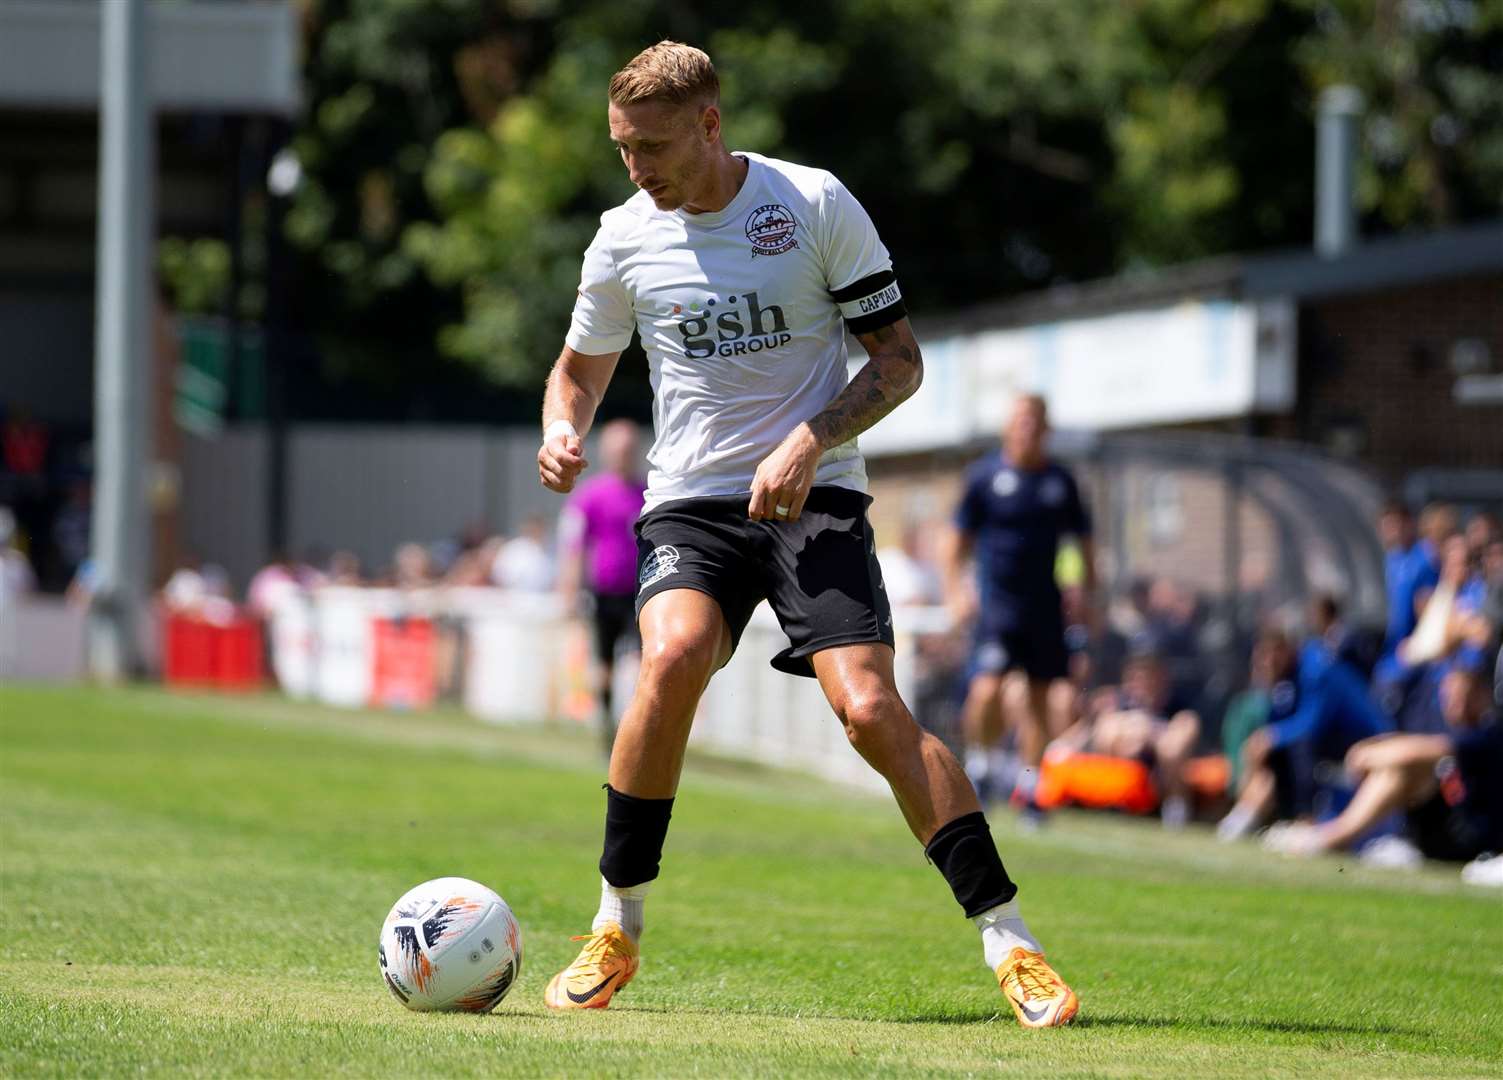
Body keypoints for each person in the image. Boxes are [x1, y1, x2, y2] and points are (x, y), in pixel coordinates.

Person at [533, 41, 1077, 1028]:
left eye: (651, 146)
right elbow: (577, 370)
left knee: (869, 710)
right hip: (693, 499)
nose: (635, 169)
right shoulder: (621, 238)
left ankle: (1012, 940)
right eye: (621, 149)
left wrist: (809, 439)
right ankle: (615, 925)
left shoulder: (813, 205)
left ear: (710, 124)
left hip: (814, 490)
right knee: (673, 655)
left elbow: (900, 362)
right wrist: (561, 425)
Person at [941, 394, 1097, 820]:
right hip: (998, 607)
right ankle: (982, 765)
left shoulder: (1060, 482)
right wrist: (957, 591)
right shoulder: (985, 476)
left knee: (1041, 697)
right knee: (988, 688)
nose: (1027, 428)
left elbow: (1083, 543)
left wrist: (1088, 594)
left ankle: (1030, 787)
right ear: (1008, 427)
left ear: (1045, 428)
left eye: (1034, 421)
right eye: (1020, 420)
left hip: (1045, 607)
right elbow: (955, 543)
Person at [1258, 647, 1501, 883]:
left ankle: (1329, 838)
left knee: (1403, 769)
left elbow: (1424, 750)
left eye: (1460, 695)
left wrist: (1368, 753)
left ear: (1480, 694)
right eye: (1448, 694)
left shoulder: (1488, 733)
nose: (1451, 702)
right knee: (1403, 771)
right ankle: (1363, 838)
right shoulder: (1456, 728)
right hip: (1441, 831)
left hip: (1472, 842)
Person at [557, 419, 648, 751]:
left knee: (645, 661)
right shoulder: (591, 495)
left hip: (641, 592)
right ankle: (608, 727)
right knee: (604, 662)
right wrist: (568, 588)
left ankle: (640, 727)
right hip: (604, 591)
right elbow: (574, 545)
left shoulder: (648, 493)